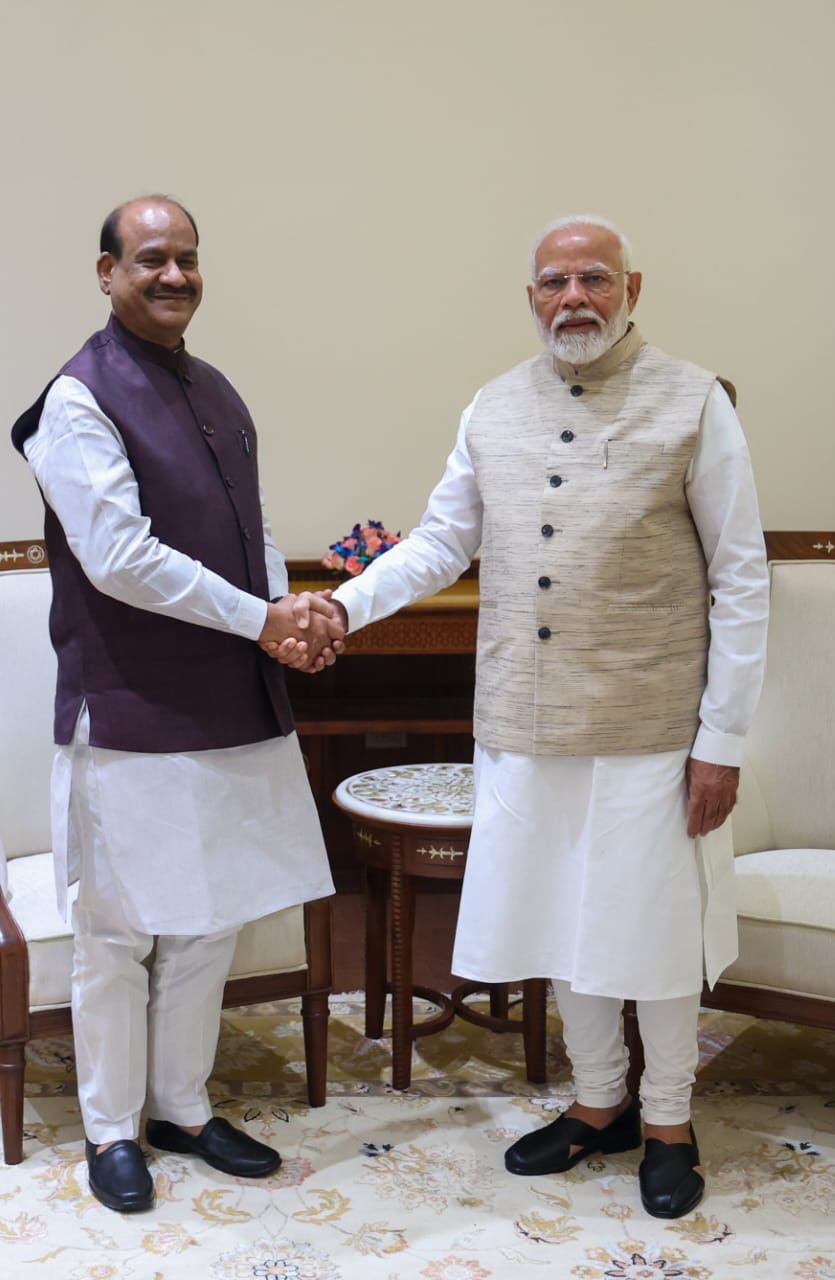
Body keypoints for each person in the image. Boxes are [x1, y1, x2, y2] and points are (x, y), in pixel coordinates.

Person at [285, 214, 769, 1219]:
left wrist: (721, 742)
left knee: (651, 931)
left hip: (651, 726)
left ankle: (668, 1121)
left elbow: (741, 578)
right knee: (561, 916)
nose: (573, 298)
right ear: (530, 296)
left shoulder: (695, 402)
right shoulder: (491, 404)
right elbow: (438, 543)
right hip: (523, 720)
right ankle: (599, 1102)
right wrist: (342, 606)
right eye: (553, 281)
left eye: (594, 278)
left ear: (633, 288)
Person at [11, 195, 341, 1213]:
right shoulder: (77, 399)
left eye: (187, 258)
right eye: (150, 258)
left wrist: (285, 611)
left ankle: (182, 1109)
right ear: (106, 272)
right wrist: (262, 619)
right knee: (118, 929)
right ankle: (113, 1127)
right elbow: (119, 559)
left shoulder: (216, 388)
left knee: (209, 921)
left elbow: (251, 524)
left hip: (231, 696)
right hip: (130, 706)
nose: (173, 275)